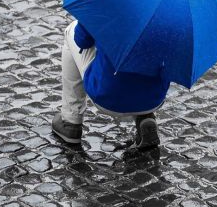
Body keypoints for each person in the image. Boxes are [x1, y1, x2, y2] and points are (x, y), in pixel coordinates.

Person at [52, 20, 170, 149]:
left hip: (108, 96)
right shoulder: (173, 13)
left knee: (71, 30)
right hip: (153, 100)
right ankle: (144, 116)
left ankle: (70, 121)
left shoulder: (107, 3)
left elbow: (82, 40)